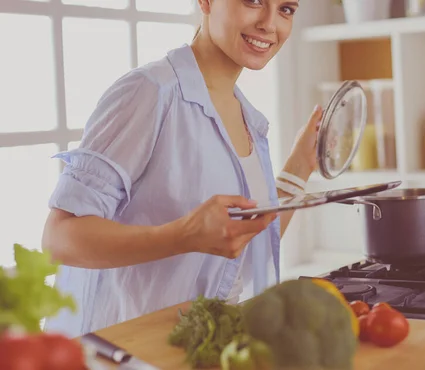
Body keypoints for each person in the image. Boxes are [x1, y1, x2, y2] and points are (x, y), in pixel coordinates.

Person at [41, 0, 322, 338]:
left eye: (286, 10)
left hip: (204, 346)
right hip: (130, 351)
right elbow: (59, 239)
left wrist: (299, 168)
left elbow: (244, 243)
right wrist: (183, 235)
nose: (269, 23)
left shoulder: (247, 117)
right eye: (254, 1)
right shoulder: (151, 92)